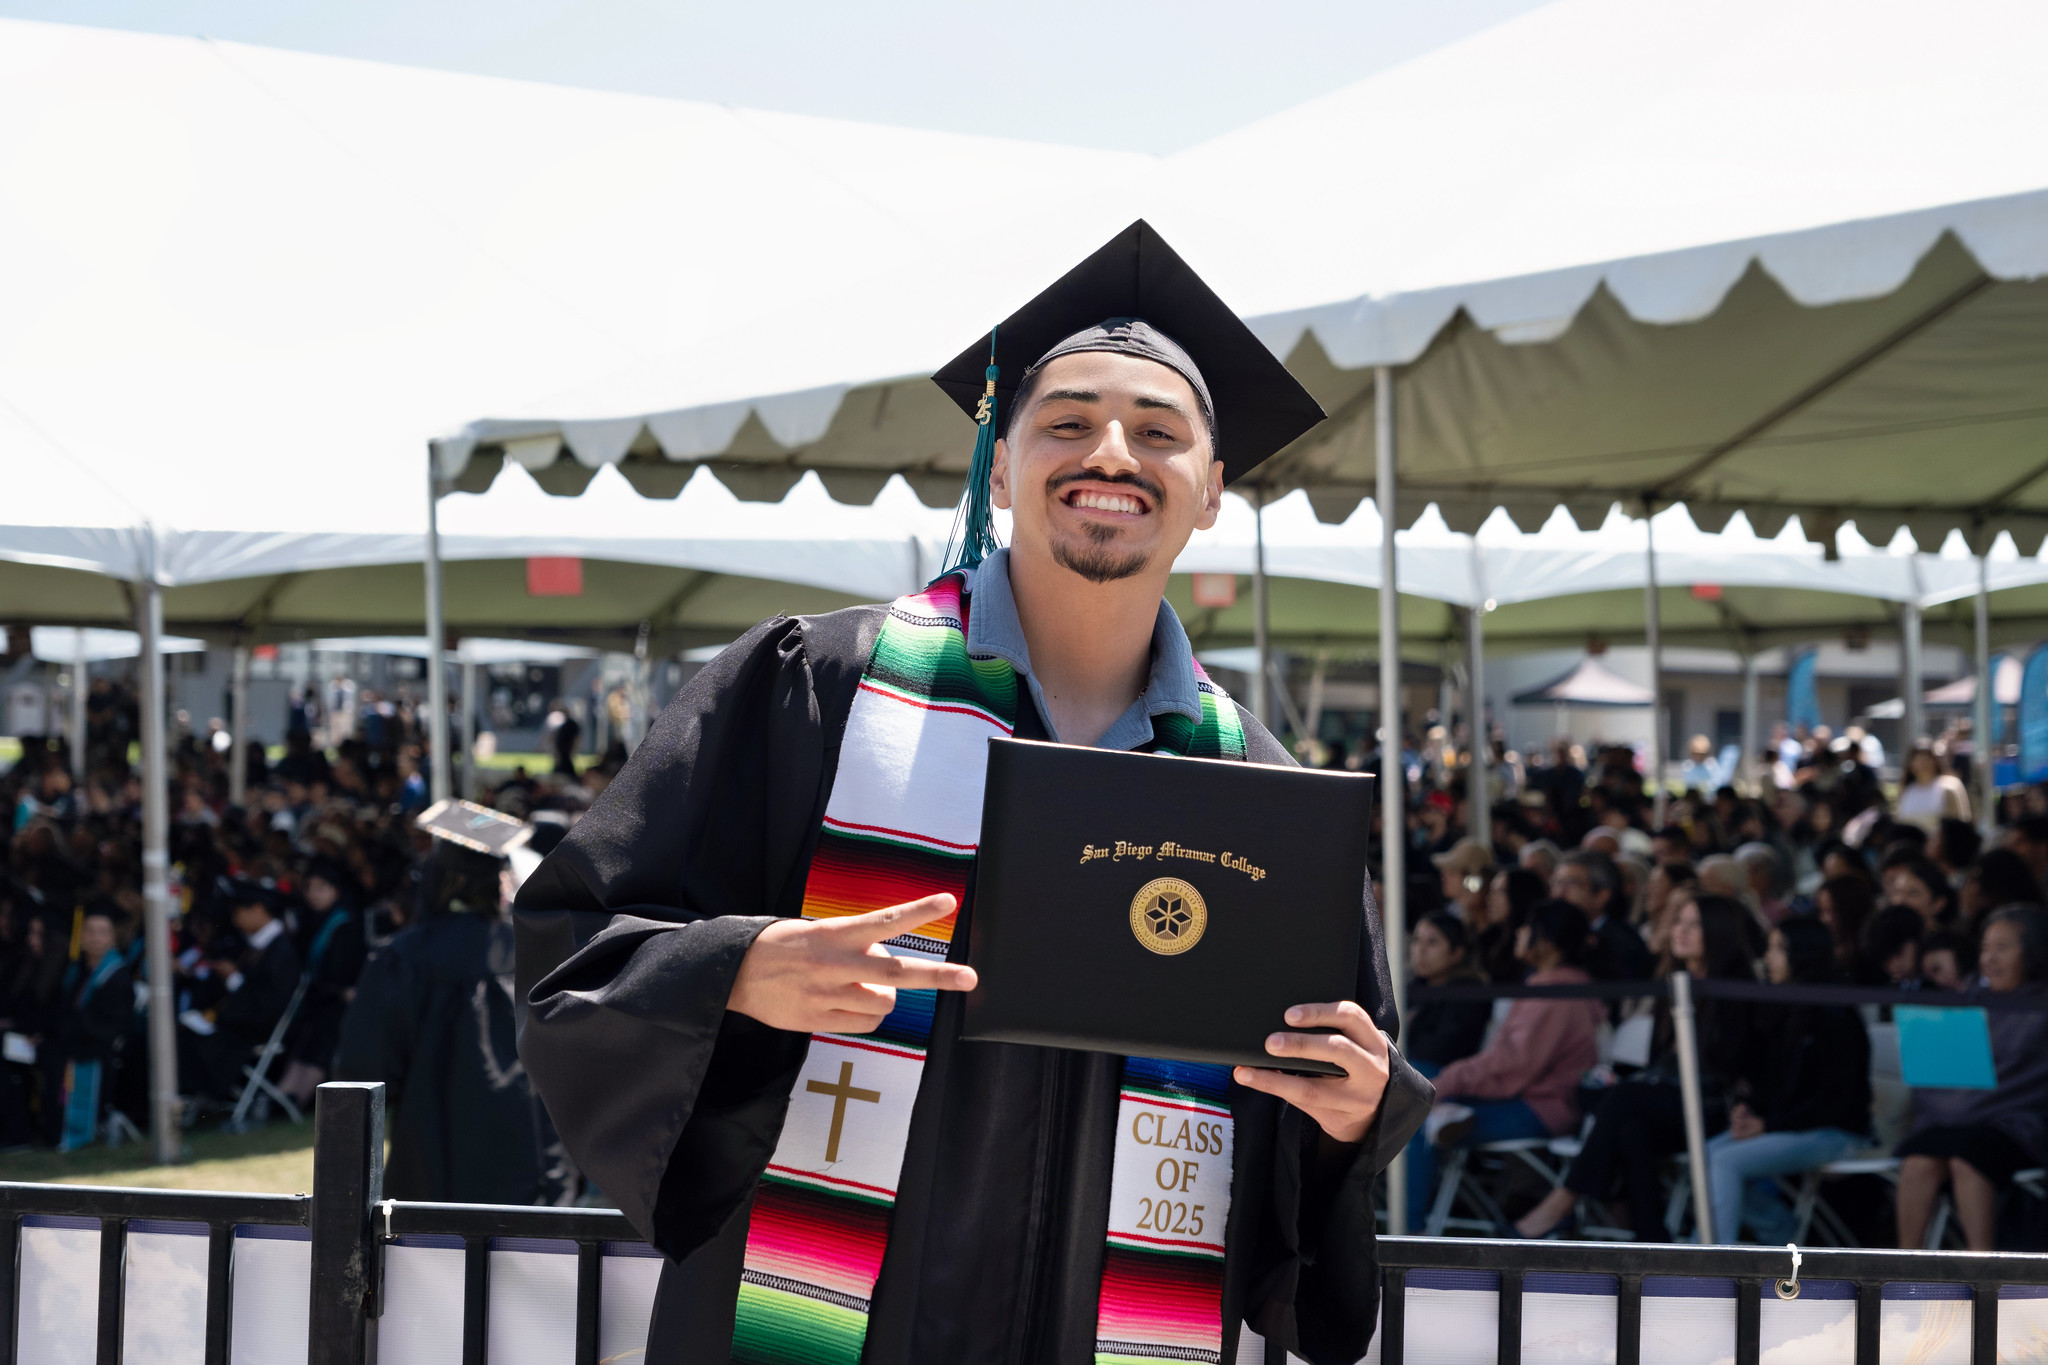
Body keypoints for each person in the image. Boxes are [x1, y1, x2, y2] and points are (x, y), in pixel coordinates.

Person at [513, 226, 1429, 1365]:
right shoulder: (818, 688)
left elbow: (1315, 1089)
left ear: (1209, 493)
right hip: (823, 1324)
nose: (1109, 452)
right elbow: (573, 944)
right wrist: (740, 966)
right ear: (998, 466)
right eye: (1065, 422)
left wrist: (1348, 1117)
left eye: (1157, 432)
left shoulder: (1257, 788)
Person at [338, 806, 570, 1205]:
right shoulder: (534, 953)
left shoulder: (404, 957)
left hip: (433, 1148)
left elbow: (365, 1067)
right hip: (531, 1148)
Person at [1515, 895, 1757, 1241]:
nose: (1681, 932)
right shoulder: (1673, 984)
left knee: (1625, 1098)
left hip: (1717, 1106)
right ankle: (1652, 1239)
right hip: (1672, 1103)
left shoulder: (1736, 989)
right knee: (1631, 1129)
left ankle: (1564, 1200)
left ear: (1717, 932)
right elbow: (1659, 1062)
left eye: (1694, 924)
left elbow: (1729, 1067)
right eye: (1679, 922)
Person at [1408, 900, 1604, 1232]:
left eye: (1527, 927)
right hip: (1526, 1099)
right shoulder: (1551, 986)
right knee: (1416, 1096)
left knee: (1415, 1117)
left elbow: (1511, 1067)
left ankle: (1406, 1232)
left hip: (1538, 1107)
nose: (1519, 932)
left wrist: (1447, 1083)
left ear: (1546, 941)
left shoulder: (1556, 995)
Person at [1704, 918, 1870, 1243]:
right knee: (1705, 1155)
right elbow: (1768, 1081)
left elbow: (1833, 1102)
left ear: (1803, 953)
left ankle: (1708, 1259)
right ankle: (1778, 1229)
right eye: (1770, 947)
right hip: (1788, 1124)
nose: (1769, 957)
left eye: (1780, 948)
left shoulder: (1836, 1015)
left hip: (1835, 1131)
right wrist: (1748, 1109)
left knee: (1725, 1161)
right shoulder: (1780, 1008)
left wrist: (1768, 1125)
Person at [1895, 905, 2048, 1250]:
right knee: (1918, 1162)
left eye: (2003, 948)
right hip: (1957, 1119)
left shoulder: (2040, 1008)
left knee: (1967, 1159)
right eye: (1985, 948)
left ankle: (1981, 1269)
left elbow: (2023, 1083)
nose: (1989, 958)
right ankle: (1903, 1269)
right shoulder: (1971, 1001)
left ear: (2033, 951)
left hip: (2017, 1124)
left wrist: (1965, 1103)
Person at [176, 881, 302, 1103]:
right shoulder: (257, 945)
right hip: (239, 1024)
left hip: (252, 1032)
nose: (235, 919)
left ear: (258, 910)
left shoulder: (280, 950)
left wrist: (234, 979)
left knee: (188, 1044)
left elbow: (267, 1005)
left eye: (239, 911)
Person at [44, 908, 134, 1150]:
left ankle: (77, 1134)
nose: (95, 938)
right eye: (90, 932)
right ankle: (51, 1131)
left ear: (112, 938)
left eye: (102, 932)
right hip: (70, 1041)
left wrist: (74, 1031)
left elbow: (113, 1023)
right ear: (82, 937)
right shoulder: (76, 970)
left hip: (95, 1047)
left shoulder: (118, 974)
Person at [279, 858, 366, 1105]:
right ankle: (284, 1095)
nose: (313, 894)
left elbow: (344, 971)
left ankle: (299, 1098)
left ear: (335, 889)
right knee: (305, 1036)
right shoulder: (308, 921)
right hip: (317, 998)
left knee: (324, 1035)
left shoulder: (346, 923)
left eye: (321, 888)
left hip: (338, 1000)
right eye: (309, 888)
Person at [1404, 912, 1490, 1071]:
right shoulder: (1413, 988)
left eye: (1432, 942)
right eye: (1416, 940)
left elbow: (1442, 1050)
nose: (1420, 950)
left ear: (1456, 953)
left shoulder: (1469, 994)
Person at [1554, 849, 1652, 981]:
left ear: (1601, 895)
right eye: (1557, 883)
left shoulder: (1623, 944)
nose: (1558, 894)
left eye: (1572, 884)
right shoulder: (1549, 935)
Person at [1475, 866, 1546, 985]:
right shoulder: (1486, 940)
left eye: (1498, 892)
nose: (1489, 899)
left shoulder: (1534, 944)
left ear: (1519, 895)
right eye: (1491, 891)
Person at [1897, 741, 1971, 832]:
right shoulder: (1906, 791)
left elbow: (1960, 823)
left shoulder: (1950, 786)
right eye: (1918, 758)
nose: (1923, 763)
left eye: (1927, 758)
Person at [1816, 875, 1878, 976]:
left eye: (1833, 911)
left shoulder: (1873, 957)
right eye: (1821, 911)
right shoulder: (1821, 957)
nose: (1825, 920)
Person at [1433, 839, 1492, 923]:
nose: (1444, 878)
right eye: (1444, 872)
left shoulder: (1480, 920)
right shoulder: (1451, 911)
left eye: (1452, 872)